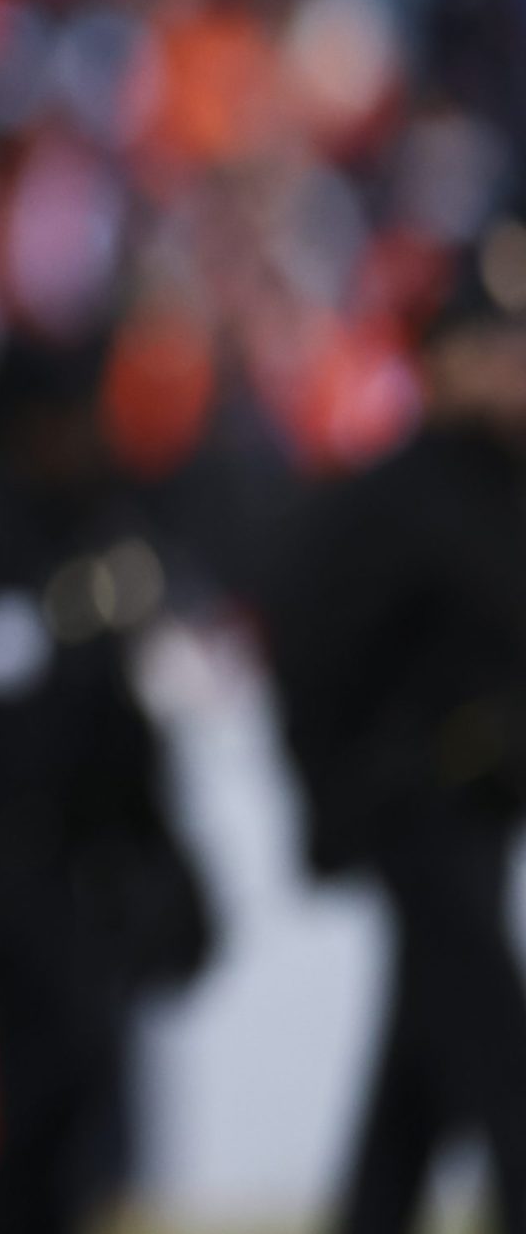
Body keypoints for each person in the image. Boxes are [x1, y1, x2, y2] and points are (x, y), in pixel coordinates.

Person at [0, 330, 209, 1234]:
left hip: (85, 849)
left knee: (75, 1078)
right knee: (53, 1064)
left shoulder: (95, 529)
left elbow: (120, 701)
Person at [269, 229, 526, 1234]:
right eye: (499, 347)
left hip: (488, 809)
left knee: (418, 1073)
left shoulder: (505, 493)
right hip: (418, 813)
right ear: (445, 360)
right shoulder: (386, 502)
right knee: (504, 1065)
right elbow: (314, 662)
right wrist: (344, 797)